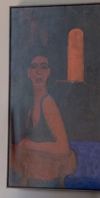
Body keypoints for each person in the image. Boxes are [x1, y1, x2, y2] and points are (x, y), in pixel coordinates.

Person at [10, 54, 78, 187]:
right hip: (36, 174)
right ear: (29, 73)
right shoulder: (31, 108)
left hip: (52, 175)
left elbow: (64, 148)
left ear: (48, 72)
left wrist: (30, 145)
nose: (38, 71)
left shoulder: (47, 103)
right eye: (34, 67)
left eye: (43, 67)